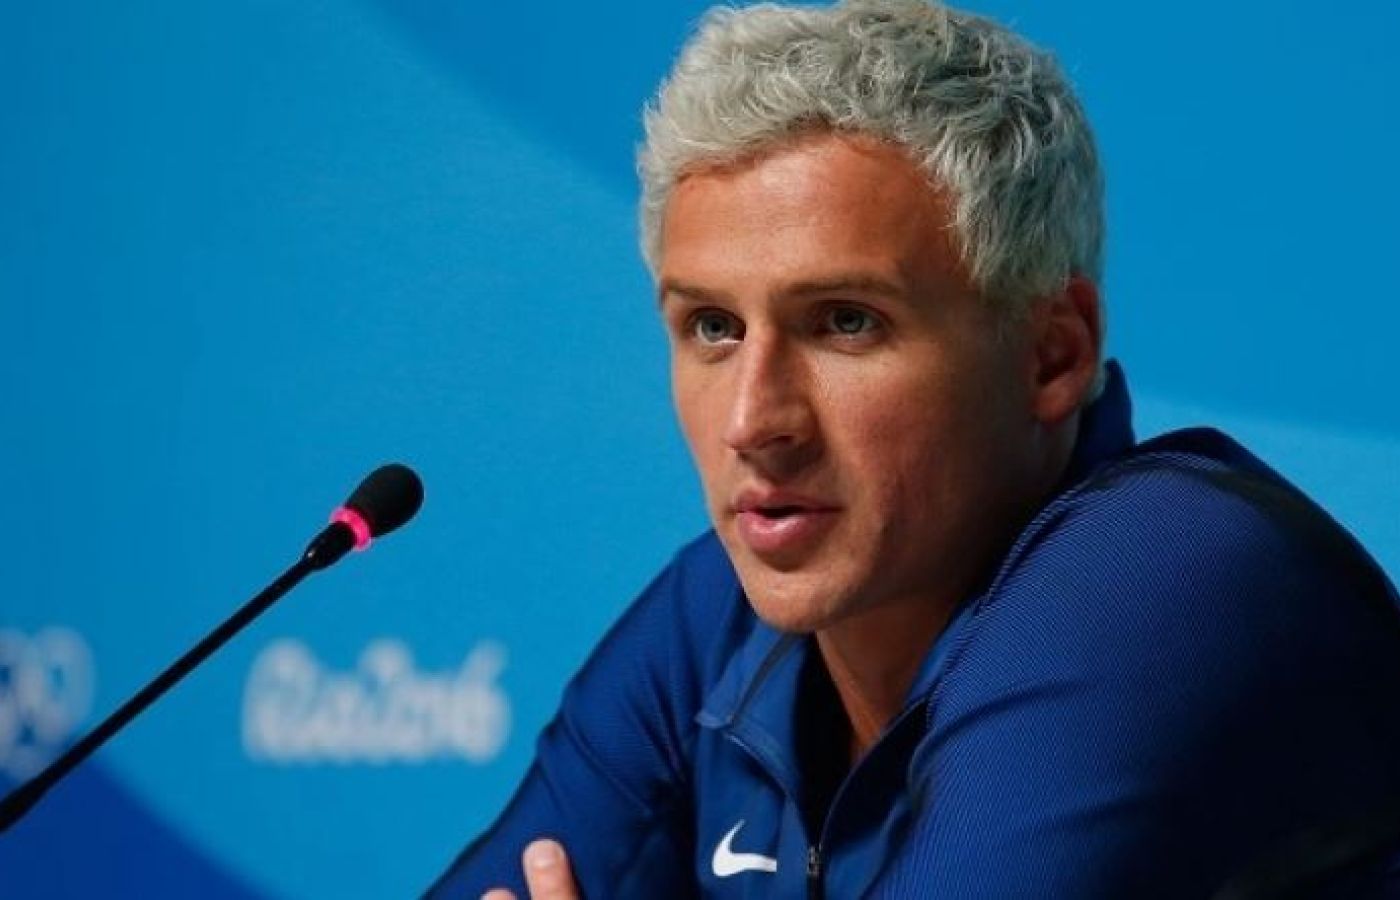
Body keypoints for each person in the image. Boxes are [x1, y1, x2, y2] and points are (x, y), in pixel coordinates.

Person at [425, 1, 1400, 896]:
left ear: (1052, 355)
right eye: (712, 327)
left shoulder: (1164, 576)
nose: (752, 421)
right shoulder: (718, 618)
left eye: (844, 321)